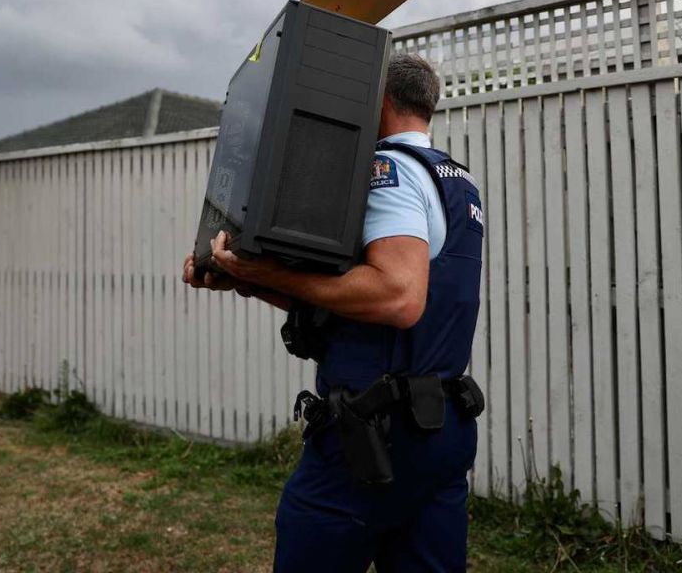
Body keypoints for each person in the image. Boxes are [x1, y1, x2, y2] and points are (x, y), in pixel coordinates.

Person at [182, 53, 485, 572]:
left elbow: (397, 297)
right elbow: (358, 303)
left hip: (372, 438)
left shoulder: (386, 168)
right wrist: (247, 283)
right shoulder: (458, 182)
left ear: (380, 102)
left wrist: (267, 273)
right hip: (440, 429)